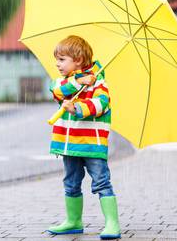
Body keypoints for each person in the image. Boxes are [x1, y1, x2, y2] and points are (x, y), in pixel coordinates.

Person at [47, 35, 121, 240]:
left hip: (91, 145)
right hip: (69, 145)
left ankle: (112, 223)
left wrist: (78, 107)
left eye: (62, 59)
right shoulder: (63, 82)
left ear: (78, 60)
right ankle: (73, 221)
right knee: (71, 182)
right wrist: (80, 80)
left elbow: (100, 105)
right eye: (57, 59)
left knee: (101, 181)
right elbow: (57, 91)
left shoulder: (99, 84)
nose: (57, 63)